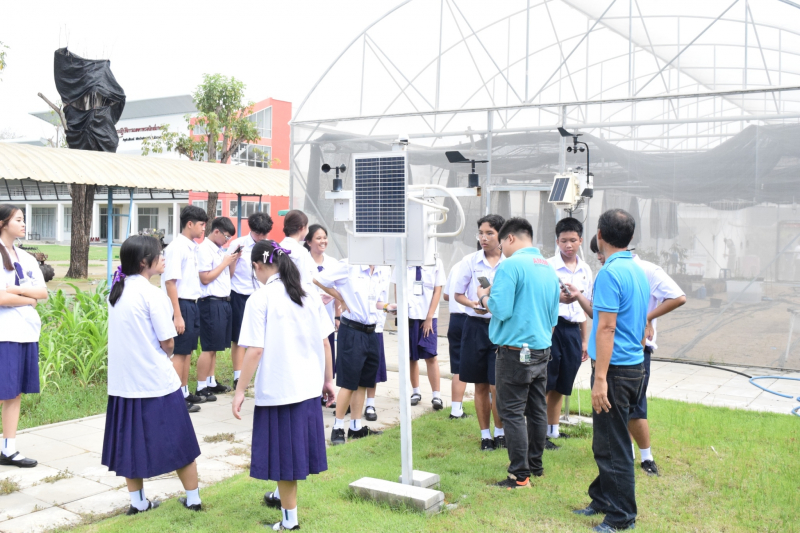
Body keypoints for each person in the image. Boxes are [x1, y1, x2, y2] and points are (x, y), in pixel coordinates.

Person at [232, 240, 335, 531]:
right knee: (291, 454)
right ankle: (283, 504)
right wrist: (328, 380)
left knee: (284, 458)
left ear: (257, 266)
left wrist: (239, 390)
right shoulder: (308, 293)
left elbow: (254, 350)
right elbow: (325, 342)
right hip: (308, 387)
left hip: (280, 390)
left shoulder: (260, 298)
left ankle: (290, 522)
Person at [570, 236, 686, 477]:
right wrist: (579, 296)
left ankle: (642, 460)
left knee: (630, 415)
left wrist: (647, 318)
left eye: (598, 251)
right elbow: (600, 315)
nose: (598, 257)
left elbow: (607, 327)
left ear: (603, 238)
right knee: (614, 426)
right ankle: (622, 463)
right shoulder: (619, 271)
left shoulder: (639, 271)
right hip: (624, 358)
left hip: (623, 359)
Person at [104, 235, 202, 514]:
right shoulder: (153, 295)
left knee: (129, 445)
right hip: (156, 382)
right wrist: (165, 353)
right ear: (144, 262)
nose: (163, 258)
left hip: (124, 384)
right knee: (180, 442)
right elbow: (168, 342)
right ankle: (193, 500)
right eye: (159, 254)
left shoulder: (115, 292)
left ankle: (138, 503)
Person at [572, 209, 648, 532]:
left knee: (614, 445)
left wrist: (600, 379)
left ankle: (621, 517)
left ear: (599, 235)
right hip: (633, 366)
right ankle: (602, 498)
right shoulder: (636, 270)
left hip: (615, 371)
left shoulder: (609, 273)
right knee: (604, 441)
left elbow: (606, 328)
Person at [476, 217, 560, 489]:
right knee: (536, 409)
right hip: (541, 349)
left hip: (514, 352)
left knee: (511, 412)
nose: (501, 251)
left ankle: (519, 476)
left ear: (510, 238)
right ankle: (535, 466)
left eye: (501, 244)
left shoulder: (510, 266)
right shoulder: (548, 266)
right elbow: (554, 316)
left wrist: (483, 296)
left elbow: (501, 309)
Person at [314, 260, 394, 445]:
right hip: (352, 330)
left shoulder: (381, 270)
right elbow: (318, 279)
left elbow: (374, 302)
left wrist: (387, 307)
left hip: (372, 331)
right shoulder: (349, 265)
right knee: (349, 382)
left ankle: (356, 428)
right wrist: (341, 298)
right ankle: (337, 428)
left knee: (363, 381)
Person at [453, 214, 506, 451]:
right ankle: (485, 435)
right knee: (481, 385)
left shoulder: (509, 262)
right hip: (475, 327)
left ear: (502, 235)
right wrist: (473, 303)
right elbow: (457, 294)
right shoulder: (470, 261)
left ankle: (501, 432)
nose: (483, 238)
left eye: (489, 233)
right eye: (481, 233)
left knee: (498, 385)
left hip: (501, 328)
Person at [0, 204, 48, 468]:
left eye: (23, 219)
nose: (23, 224)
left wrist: (16, 291)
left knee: (14, 393)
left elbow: (43, 293)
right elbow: (0, 298)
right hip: (4, 333)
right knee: (2, 391)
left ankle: (8, 449)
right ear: (2, 223)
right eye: (18, 219)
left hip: (26, 332)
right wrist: (28, 299)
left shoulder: (25, 257)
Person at [545, 217, 592, 449]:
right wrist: (558, 298)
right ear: (557, 241)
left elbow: (586, 308)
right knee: (546, 382)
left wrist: (585, 340)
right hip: (552, 329)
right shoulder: (547, 267)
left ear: (580, 240)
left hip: (573, 330)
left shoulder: (586, 270)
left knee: (563, 383)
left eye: (573, 240)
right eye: (563, 240)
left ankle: (553, 430)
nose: (568, 245)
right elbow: (539, 299)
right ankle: (539, 434)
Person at [162, 205, 208, 413]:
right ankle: (175, 398)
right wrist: (178, 315)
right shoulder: (177, 247)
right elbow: (170, 282)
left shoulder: (192, 247)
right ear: (189, 224)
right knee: (179, 353)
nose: (204, 228)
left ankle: (184, 391)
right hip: (180, 304)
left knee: (187, 351)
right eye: (201, 224)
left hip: (192, 303)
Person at [195, 217, 241, 401]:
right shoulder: (204, 249)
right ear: (216, 232)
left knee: (215, 346)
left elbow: (227, 276)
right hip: (210, 302)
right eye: (226, 237)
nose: (227, 241)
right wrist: (224, 262)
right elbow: (205, 278)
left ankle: (211, 381)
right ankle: (201, 386)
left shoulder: (220, 250)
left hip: (223, 301)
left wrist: (233, 261)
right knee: (209, 347)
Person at [228, 212, 273, 390]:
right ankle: (238, 376)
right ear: (251, 229)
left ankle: (263, 373)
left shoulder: (270, 246)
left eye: (264, 234)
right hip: (241, 294)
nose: (261, 237)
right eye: (258, 233)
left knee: (264, 335)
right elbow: (228, 274)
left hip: (263, 294)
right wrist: (234, 260)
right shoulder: (238, 244)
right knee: (240, 337)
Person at [394, 258, 446, 410]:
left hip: (428, 316)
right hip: (409, 315)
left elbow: (437, 290)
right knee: (411, 357)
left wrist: (429, 317)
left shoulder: (435, 260)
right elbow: (397, 287)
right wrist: (401, 312)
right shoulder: (402, 257)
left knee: (431, 355)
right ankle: (416, 392)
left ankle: (436, 396)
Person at [304, 224, 342, 407]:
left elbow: (339, 291)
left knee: (327, 354)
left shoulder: (333, 263)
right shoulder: (303, 262)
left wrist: (337, 316)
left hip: (327, 318)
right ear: (308, 241)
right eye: (318, 238)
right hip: (307, 317)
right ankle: (312, 392)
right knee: (311, 354)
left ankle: (327, 391)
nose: (323, 241)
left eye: (325, 237)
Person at [442, 258, 469, 419]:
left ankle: (456, 410)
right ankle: (491, 403)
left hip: (455, 320)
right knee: (487, 364)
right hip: (471, 319)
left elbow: (446, 295)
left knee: (458, 366)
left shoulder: (457, 265)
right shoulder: (476, 265)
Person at [280, 210, 319, 292]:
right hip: (297, 294)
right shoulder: (301, 251)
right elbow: (306, 281)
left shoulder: (277, 247)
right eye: (307, 227)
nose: (308, 230)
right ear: (301, 227)